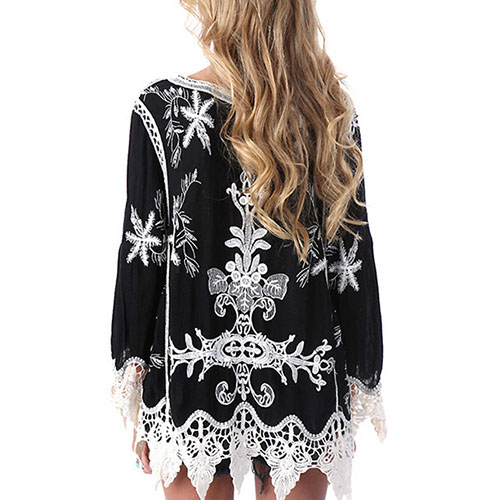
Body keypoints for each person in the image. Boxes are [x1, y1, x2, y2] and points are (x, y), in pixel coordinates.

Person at [110, 1, 387, 499]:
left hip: (191, 372)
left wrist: (138, 384)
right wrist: (359, 373)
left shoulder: (163, 110)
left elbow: (142, 255)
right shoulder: (327, 115)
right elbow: (350, 264)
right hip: (303, 373)